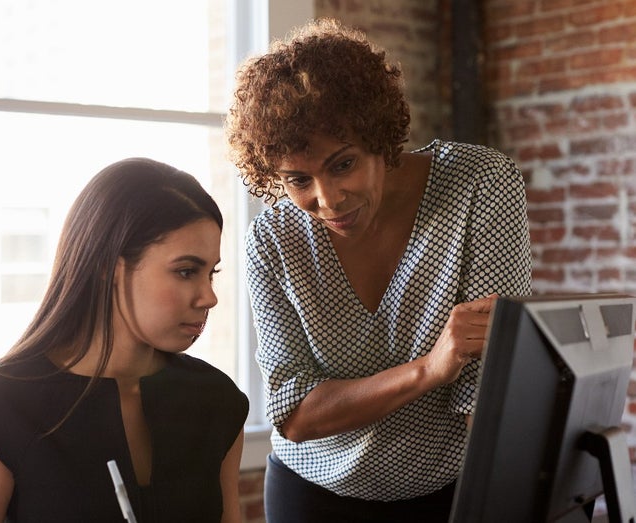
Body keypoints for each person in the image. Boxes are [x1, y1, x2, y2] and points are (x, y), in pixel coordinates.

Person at [225, 18, 532, 523]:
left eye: (343, 164)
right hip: (312, 495)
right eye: (299, 180)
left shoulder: (479, 184)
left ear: (381, 139)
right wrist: (429, 369)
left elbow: (487, 387)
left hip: (448, 493)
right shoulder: (274, 239)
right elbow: (295, 413)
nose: (327, 199)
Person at [0, 158, 249, 523]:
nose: (208, 297)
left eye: (210, 273)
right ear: (108, 266)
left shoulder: (217, 400)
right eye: (186, 271)